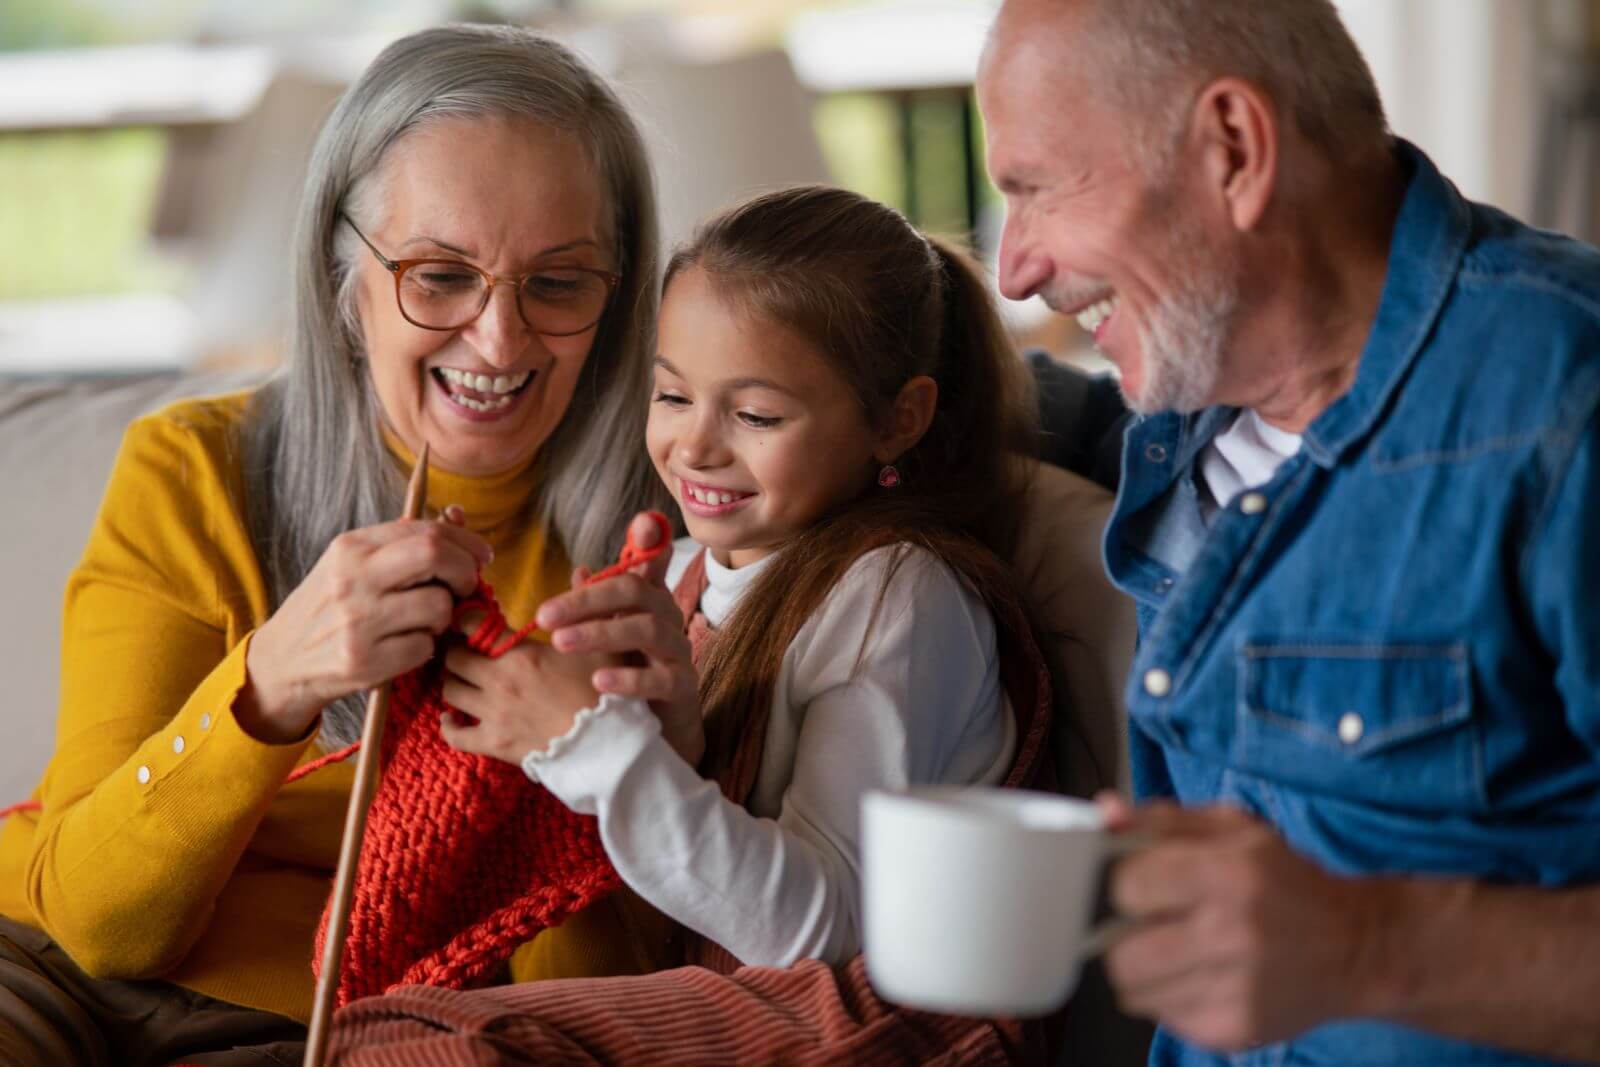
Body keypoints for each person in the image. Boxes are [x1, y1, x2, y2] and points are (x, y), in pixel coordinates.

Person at [0, 24, 696, 1065]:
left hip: (366, 1025)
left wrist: (594, 764)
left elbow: (597, 1007)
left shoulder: (662, 553)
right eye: (440, 275)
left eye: (557, 283)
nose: (498, 339)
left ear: (618, 293)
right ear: (345, 274)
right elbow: (101, 920)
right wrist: (272, 680)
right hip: (49, 968)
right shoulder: (193, 472)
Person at [977, 0, 1600, 1064]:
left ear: (1232, 148)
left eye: (1035, 190)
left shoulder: (1561, 406)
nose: (1016, 268)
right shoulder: (1185, 395)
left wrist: (1366, 945)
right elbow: (949, 391)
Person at [434, 184, 1052, 970]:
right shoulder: (690, 574)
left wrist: (591, 744)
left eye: (755, 415)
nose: (694, 446)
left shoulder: (898, 596)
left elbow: (816, 928)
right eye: (672, 395)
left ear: (899, 418)